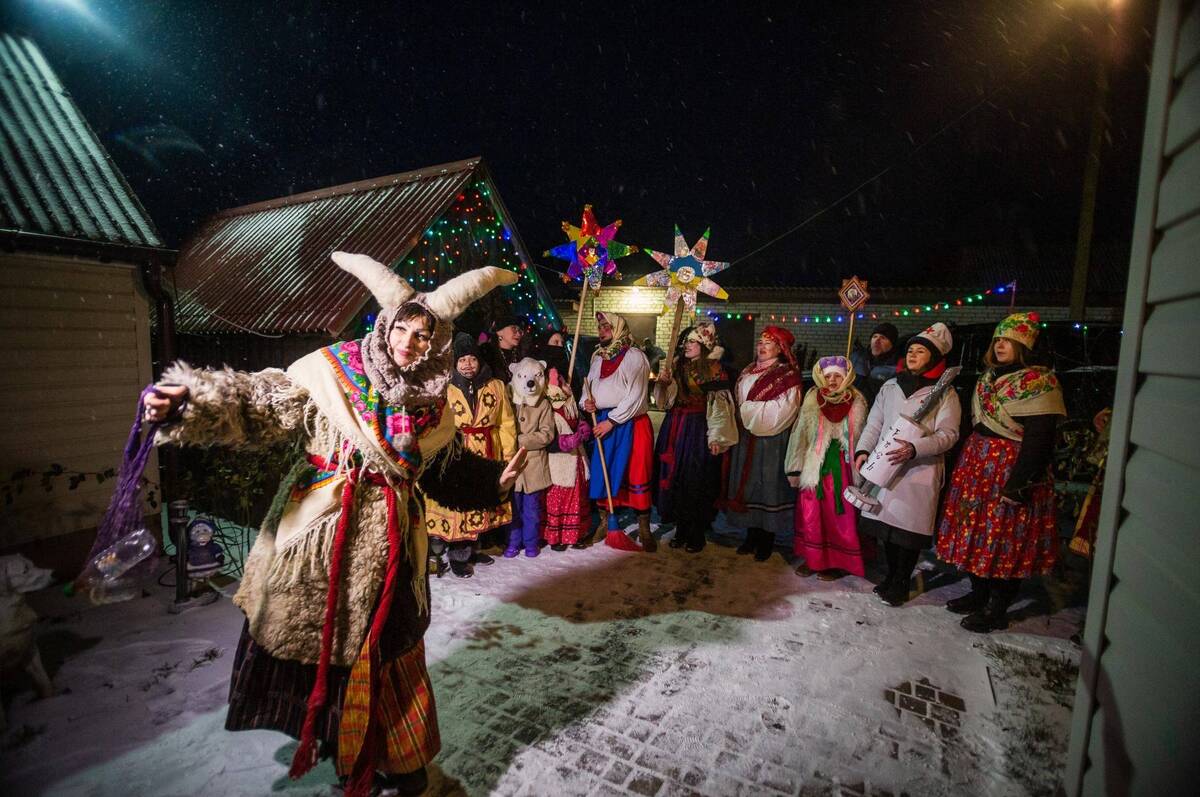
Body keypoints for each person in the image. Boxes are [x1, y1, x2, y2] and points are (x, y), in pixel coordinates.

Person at [142, 253, 526, 797]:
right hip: (323, 535)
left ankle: (402, 754)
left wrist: (493, 480)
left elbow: (446, 468)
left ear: (438, 341)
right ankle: (349, 754)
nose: (411, 343)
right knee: (332, 644)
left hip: (396, 543)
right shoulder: (330, 371)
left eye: (425, 335)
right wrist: (190, 401)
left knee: (392, 648)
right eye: (404, 329)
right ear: (385, 325)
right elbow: (258, 401)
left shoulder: (432, 404)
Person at [936, 312, 1066, 632]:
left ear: (1025, 346)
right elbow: (974, 423)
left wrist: (1019, 484)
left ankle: (998, 606)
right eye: (998, 340)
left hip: (1010, 468)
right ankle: (978, 593)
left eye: (1009, 341)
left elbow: (1040, 437)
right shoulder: (987, 379)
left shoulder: (1038, 382)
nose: (1001, 346)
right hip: (977, 464)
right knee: (974, 532)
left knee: (1004, 537)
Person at [854, 322, 961, 607]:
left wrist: (916, 449)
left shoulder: (945, 393)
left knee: (907, 532)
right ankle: (891, 576)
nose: (913, 355)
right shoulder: (891, 385)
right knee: (886, 527)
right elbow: (874, 422)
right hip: (885, 467)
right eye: (910, 350)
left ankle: (901, 581)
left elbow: (948, 434)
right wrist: (863, 449)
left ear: (935, 357)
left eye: (920, 351)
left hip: (918, 471)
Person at [423, 333, 517, 578]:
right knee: (460, 506)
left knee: (479, 504)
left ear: (479, 361)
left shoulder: (495, 386)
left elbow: (506, 423)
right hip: (456, 454)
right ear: (454, 363)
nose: (467, 364)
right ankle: (458, 556)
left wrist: (507, 455)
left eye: (472, 359)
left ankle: (472, 547)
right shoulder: (444, 387)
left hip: (487, 448)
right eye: (462, 360)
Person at [653, 324, 738, 553]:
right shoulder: (677, 365)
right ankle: (681, 528)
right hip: (675, 427)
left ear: (704, 345)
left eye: (692, 342)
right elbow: (664, 402)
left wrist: (717, 437)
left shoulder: (713, 369)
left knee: (696, 481)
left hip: (698, 429)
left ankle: (696, 532)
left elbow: (720, 406)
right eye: (686, 341)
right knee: (677, 478)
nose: (686, 345)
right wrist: (664, 383)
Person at [721, 326, 803, 561]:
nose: (762, 346)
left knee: (768, 486)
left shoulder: (787, 375)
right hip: (747, 437)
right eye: (760, 342)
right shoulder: (748, 371)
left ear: (780, 348)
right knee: (748, 487)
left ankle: (767, 540)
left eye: (769, 343)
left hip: (771, 439)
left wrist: (748, 413)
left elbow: (784, 410)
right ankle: (751, 535)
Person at [786, 356, 868, 580]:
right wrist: (794, 467)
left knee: (839, 514)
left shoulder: (857, 400)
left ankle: (837, 562)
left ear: (846, 377)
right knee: (812, 513)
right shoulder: (813, 398)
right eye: (828, 376)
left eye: (837, 376)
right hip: (815, 464)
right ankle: (813, 560)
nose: (832, 380)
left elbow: (863, 437)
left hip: (842, 467)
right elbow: (800, 433)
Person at [581, 311, 656, 551]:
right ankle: (606, 522)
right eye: (600, 327)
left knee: (636, 471)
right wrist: (586, 403)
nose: (602, 331)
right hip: (603, 420)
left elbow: (636, 395)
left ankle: (643, 527)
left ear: (619, 328)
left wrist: (612, 421)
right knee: (605, 469)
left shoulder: (635, 357)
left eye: (607, 327)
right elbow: (587, 390)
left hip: (630, 422)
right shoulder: (597, 358)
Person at [506, 357, 557, 558]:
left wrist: (519, 440)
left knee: (532, 508)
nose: (530, 382)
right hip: (512, 465)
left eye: (535, 376)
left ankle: (531, 542)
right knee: (513, 508)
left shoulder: (543, 405)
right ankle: (512, 542)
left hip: (534, 465)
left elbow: (547, 434)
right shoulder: (510, 401)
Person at [544, 368, 592, 549]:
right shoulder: (551, 408)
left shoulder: (569, 405)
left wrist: (582, 426)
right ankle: (557, 535)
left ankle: (575, 533)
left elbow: (576, 420)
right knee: (559, 498)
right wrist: (569, 440)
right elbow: (551, 437)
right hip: (560, 463)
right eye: (563, 383)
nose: (568, 386)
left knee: (577, 497)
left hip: (577, 459)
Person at [849, 322, 900, 406]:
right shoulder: (857, 359)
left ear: (892, 344)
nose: (877, 340)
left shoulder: (895, 368)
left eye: (883, 338)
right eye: (874, 336)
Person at [479, 314, 528, 380]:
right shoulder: (487, 354)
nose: (518, 334)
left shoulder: (521, 354)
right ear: (499, 332)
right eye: (514, 329)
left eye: (520, 331)